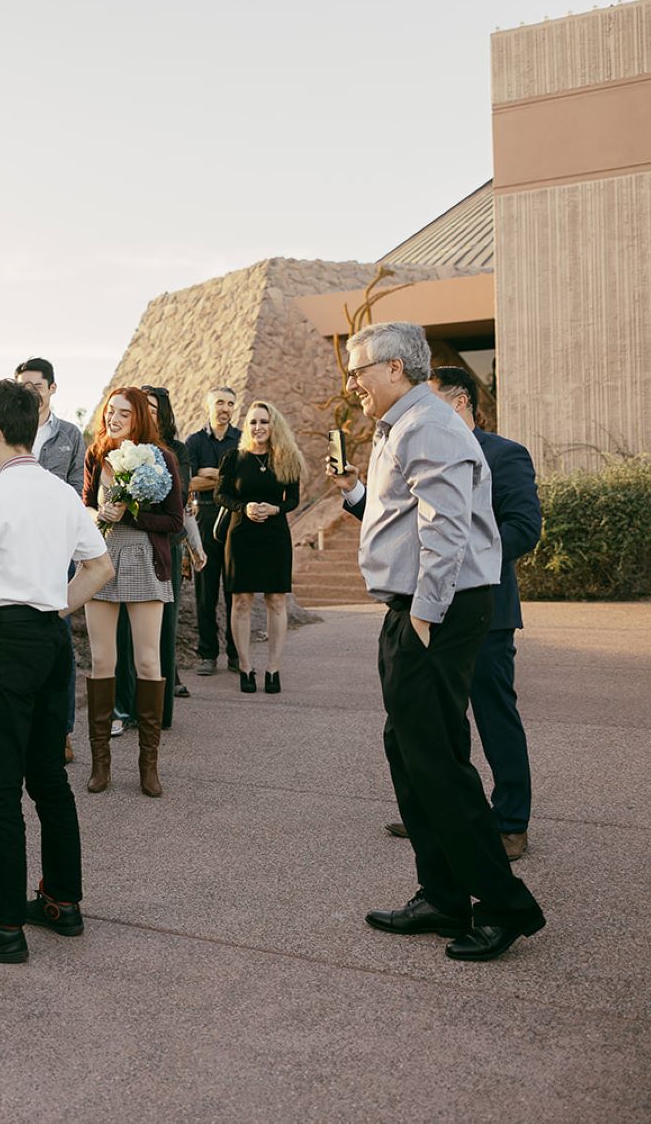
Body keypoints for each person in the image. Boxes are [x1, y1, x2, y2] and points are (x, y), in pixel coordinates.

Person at [336, 321, 546, 962]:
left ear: (396, 369)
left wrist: (425, 612)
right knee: (411, 746)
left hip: (439, 610)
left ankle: (503, 905)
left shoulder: (426, 423)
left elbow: (448, 524)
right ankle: (442, 895)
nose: (352, 384)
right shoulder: (405, 424)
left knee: (435, 759)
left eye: (359, 371)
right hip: (422, 608)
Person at [0, 379, 113, 963]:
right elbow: (100, 569)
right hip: (53, 641)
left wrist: (7, 608)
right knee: (50, 780)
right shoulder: (63, 495)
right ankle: (62, 901)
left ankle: (4, 924)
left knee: (0, 787)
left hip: (9, 640)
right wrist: (53, 606)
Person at [383, 367, 541, 861]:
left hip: (484, 610)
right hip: (424, 610)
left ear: (460, 403)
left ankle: (511, 823)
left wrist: (466, 562)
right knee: (433, 721)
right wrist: (354, 495)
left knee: (495, 718)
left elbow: (524, 527)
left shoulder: (505, 454)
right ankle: (441, 810)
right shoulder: (421, 453)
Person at [81, 387, 184, 797]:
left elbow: (175, 521)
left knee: (147, 661)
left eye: (123, 413)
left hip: (144, 559)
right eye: (110, 411)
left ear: (139, 417)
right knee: (102, 658)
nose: (114, 419)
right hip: (100, 561)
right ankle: (100, 765)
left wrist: (134, 515)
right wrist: (97, 513)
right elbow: (85, 504)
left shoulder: (163, 459)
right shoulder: (95, 454)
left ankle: (148, 765)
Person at [116, 386, 208, 722]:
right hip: (127, 546)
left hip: (167, 545)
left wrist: (130, 509)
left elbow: (178, 498)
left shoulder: (176, 451)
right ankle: (125, 707)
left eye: (153, 408)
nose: (147, 412)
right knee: (125, 633)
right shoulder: (123, 448)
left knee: (163, 632)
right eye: (144, 407)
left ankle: (159, 713)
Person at [12, 358, 86, 763]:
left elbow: (77, 491)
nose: (28, 391)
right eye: (22, 384)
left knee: (58, 639)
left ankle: (61, 730)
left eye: (36, 385)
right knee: (21, 637)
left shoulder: (70, 435)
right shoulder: (8, 430)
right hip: (16, 549)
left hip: (56, 549)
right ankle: (25, 724)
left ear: (52, 389)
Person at [216, 401, 303, 694]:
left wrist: (274, 509)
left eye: (263, 421)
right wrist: (246, 506)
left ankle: (274, 668)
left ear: (273, 424)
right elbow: (221, 495)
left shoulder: (287, 458)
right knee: (241, 601)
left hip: (275, 535)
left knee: (276, 601)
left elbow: (293, 500)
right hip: (241, 534)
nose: (258, 427)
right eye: (253, 422)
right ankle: (245, 667)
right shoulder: (233, 458)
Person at [185, 387, 242, 676]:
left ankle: (235, 654)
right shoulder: (194, 441)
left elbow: (242, 482)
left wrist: (209, 472)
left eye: (230, 403)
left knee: (235, 589)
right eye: (220, 402)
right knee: (205, 591)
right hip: (204, 515)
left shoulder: (242, 439)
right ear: (208, 406)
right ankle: (208, 655)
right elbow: (189, 484)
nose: (225, 408)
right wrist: (225, 477)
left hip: (234, 516)